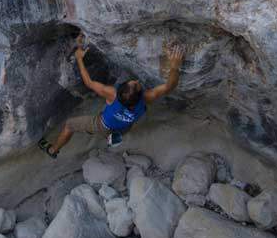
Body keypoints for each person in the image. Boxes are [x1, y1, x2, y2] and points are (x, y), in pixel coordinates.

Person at [39, 34, 184, 158]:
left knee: (69, 125)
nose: (137, 80)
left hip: (102, 124)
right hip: (124, 127)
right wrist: (175, 66)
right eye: (136, 83)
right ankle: (111, 137)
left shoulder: (112, 94)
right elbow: (169, 86)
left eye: (135, 83)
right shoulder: (147, 98)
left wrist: (79, 58)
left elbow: (89, 82)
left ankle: (53, 150)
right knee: (117, 127)